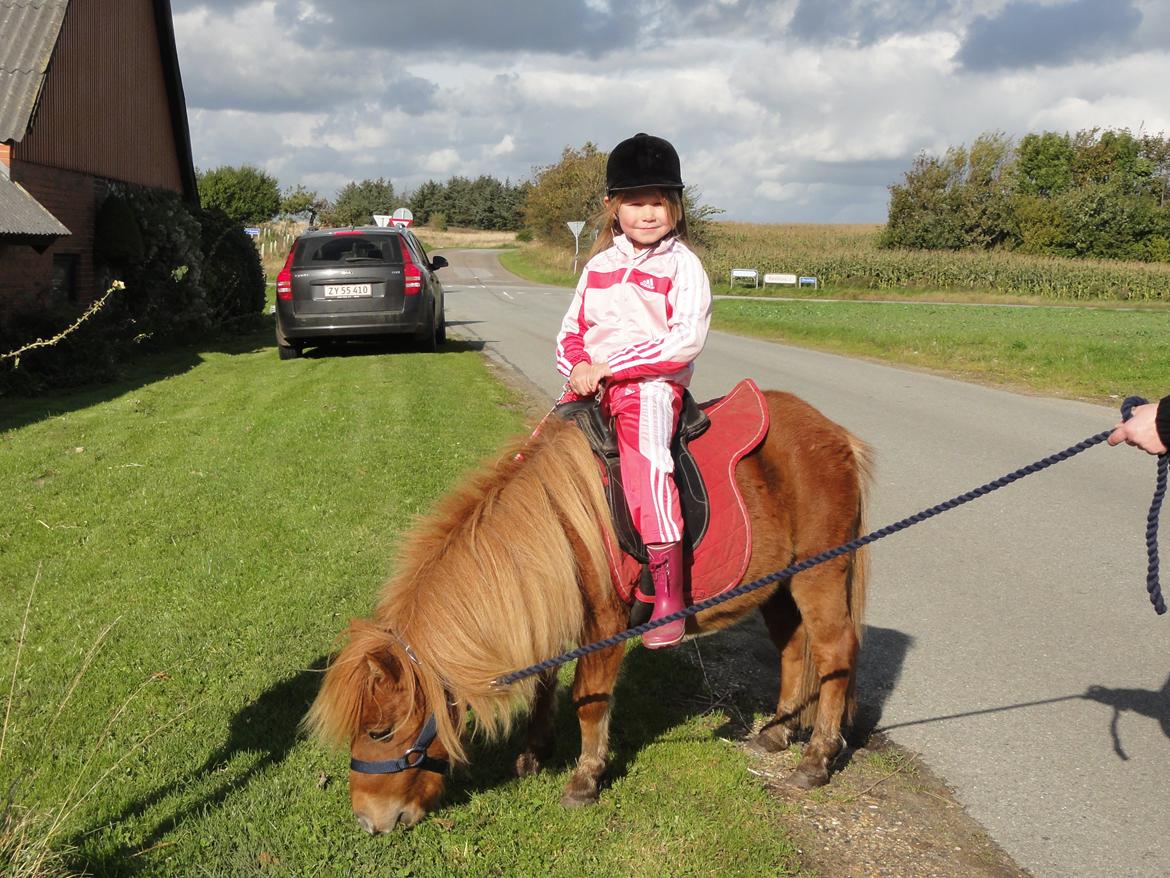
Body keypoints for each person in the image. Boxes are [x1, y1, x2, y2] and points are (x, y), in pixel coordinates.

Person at [554, 133, 712, 649]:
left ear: (676, 206)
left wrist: (610, 368)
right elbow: (569, 331)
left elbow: (683, 341)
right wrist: (579, 366)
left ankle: (669, 593)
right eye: (635, 202)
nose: (647, 213)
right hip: (590, 388)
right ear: (612, 206)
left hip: (648, 388)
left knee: (647, 464)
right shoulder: (597, 267)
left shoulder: (682, 265)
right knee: (532, 456)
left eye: (658, 202)